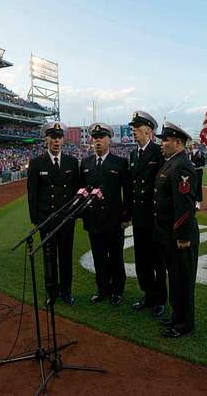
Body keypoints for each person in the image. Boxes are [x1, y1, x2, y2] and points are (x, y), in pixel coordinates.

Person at [154, 122, 199, 338]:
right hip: (168, 233)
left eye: (165, 140)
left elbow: (185, 205)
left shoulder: (181, 166)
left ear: (178, 142)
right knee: (175, 277)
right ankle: (176, 315)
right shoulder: (171, 163)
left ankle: (183, 324)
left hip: (180, 235)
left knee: (183, 280)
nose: (161, 143)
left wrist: (182, 236)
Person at [27, 122, 80, 305]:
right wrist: (36, 220)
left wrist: (73, 215)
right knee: (49, 258)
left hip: (65, 220)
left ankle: (66, 292)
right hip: (46, 220)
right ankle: (52, 293)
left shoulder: (72, 162)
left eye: (59, 137)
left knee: (66, 258)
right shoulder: (36, 163)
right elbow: (32, 194)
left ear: (63, 140)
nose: (56, 141)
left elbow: (76, 192)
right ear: (46, 139)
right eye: (52, 137)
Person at [80, 123, 132, 306]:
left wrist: (126, 217)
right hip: (94, 220)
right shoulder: (85, 163)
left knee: (116, 257)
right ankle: (102, 288)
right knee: (99, 258)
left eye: (101, 137)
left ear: (109, 139)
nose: (98, 141)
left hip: (114, 220)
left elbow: (128, 192)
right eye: (95, 138)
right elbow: (82, 192)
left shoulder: (119, 163)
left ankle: (117, 290)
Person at [128, 111, 166, 317]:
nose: (133, 130)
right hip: (139, 217)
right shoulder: (134, 155)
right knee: (141, 260)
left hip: (153, 217)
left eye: (137, 127)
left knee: (157, 262)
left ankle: (160, 299)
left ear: (149, 130)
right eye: (133, 127)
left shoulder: (158, 152)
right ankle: (148, 295)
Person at [188, 141, 206, 210]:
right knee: (192, 186)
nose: (194, 146)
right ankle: (193, 201)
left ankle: (198, 202)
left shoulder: (200, 153)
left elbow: (203, 163)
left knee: (198, 186)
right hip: (191, 171)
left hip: (198, 171)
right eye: (193, 145)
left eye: (195, 144)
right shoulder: (189, 153)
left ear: (198, 146)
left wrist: (196, 164)